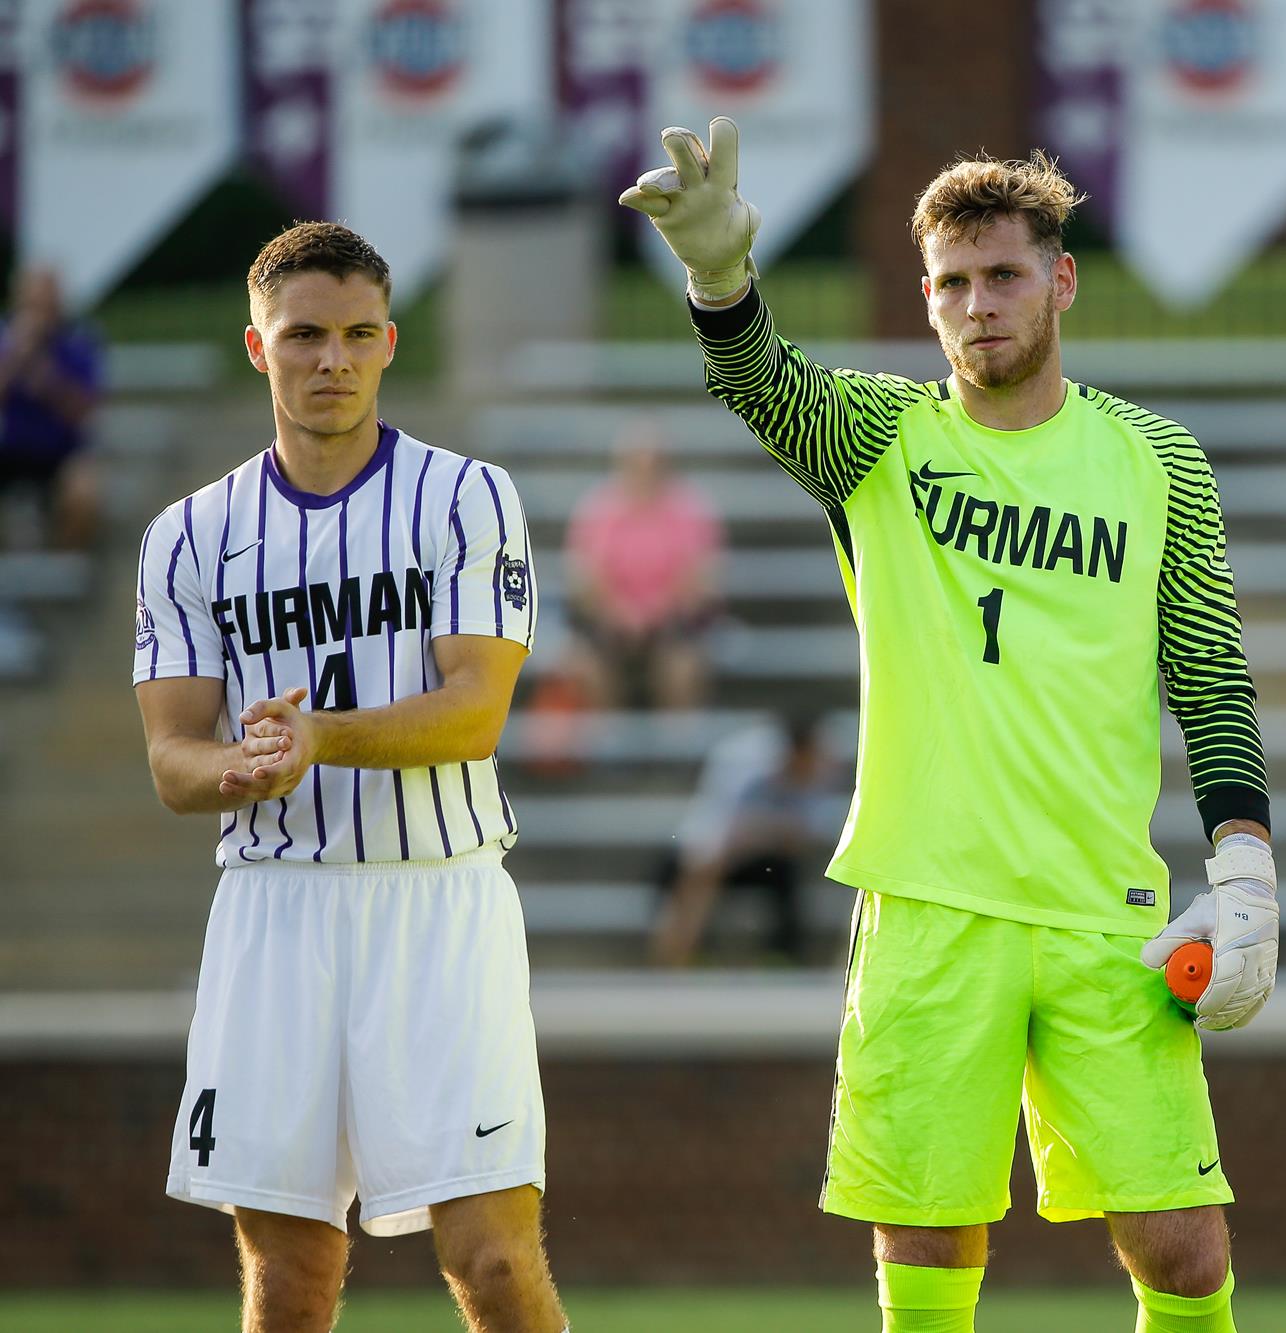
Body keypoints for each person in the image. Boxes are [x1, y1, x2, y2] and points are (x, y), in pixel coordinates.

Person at [622, 121, 1276, 1333]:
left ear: (1060, 281)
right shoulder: (880, 435)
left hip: (1105, 908)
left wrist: (1244, 862)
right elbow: (763, 383)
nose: (978, 306)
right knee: (926, 1246)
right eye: (952, 283)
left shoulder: (1158, 460)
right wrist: (720, 279)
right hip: (927, 904)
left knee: (1184, 1253)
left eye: (1004, 275)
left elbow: (1207, 671)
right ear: (926, 300)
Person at [130, 222, 568, 1333]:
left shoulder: (465, 496)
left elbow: (476, 712)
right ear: (256, 346)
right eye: (304, 336)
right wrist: (240, 768)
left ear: (389, 342)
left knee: (494, 1262)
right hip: (274, 907)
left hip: (439, 894)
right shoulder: (189, 534)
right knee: (287, 1278)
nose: (332, 359)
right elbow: (173, 759)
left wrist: (319, 737)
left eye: (357, 335)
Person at [647, 711, 847, 967]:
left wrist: (764, 831)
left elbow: (811, 830)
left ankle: (781, 956)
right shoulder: (743, 762)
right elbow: (716, 827)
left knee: (784, 875)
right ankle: (684, 955)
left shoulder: (821, 767)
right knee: (691, 878)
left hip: (761, 853)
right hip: (713, 849)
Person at [562, 419, 723, 710]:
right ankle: (608, 736)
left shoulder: (690, 508)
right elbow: (586, 575)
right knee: (584, 667)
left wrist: (653, 613)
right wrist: (620, 612)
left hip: (674, 625)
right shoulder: (598, 507)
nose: (646, 471)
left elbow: (698, 576)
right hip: (609, 624)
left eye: (654, 463)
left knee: (682, 669)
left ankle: (676, 738)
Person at [0, 266, 100, 550]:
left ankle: (66, 563)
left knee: (83, 492)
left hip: (62, 452)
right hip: (9, 449)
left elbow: (84, 410)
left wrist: (44, 377)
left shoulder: (78, 340)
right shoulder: (5, 338)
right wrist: (15, 358)